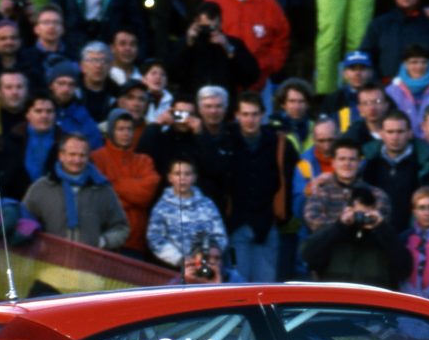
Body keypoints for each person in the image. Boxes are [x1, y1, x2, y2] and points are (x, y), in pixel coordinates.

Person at [226, 91, 297, 281]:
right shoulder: (228, 139)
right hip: (236, 222)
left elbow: (286, 180)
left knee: (266, 286)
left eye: (255, 114)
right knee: (237, 286)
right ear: (237, 115)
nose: (250, 120)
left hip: (266, 223)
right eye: (245, 114)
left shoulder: (275, 141)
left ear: (263, 115)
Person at [23, 131, 130, 250]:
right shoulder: (41, 188)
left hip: (89, 260)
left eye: (82, 155)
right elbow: (24, 221)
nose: (77, 160)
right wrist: (39, 243)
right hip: (49, 259)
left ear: (88, 157)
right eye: (72, 154)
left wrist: (103, 242)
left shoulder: (102, 189)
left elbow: (121, 227)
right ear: (61, 156)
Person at [206, 0, 290, 95]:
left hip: (259, 81)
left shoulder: (269, 4)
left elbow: (282, 39)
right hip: (222, 82)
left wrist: (269, 66)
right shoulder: (213, 4)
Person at [302, 184, 412, 288]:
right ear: (347, 210)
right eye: (357, 214)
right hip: (336, 298)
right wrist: (339, 226)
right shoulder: (333, 236)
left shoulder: (384, 239)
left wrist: (381, 227)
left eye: (366, 213)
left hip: (371, 299)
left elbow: (404, 269)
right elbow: (309, 257)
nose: (361, 219)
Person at [362, 109, 429, 231]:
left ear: (410, 133)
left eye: (400, 132)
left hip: (414, 234)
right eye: (390, 132)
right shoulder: (368, 163)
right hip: (375, 232)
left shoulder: (426, 164)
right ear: (381, 134)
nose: (395, 137)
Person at [91, 107, 160, 258]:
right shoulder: (96, 158)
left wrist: (112, 183)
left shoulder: (144, 161)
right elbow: (99, 199)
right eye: (120, 129)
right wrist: (132, 195)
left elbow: (145, 195)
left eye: (129, 129)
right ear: (111, 131)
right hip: (104, 238)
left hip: (134, 241)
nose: (126, 134)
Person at [169, 0, 260, 102]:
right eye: (204, 27)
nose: (209, 31)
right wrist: (188, 44)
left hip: (224, 103)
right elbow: (172, 75)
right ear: (196, 23)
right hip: (193, 101)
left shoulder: (233, 44)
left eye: (213, 27)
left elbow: (252, 76)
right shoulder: (185, 43)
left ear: (220, 23)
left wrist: (228, 49)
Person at [146, 157, 227, 268]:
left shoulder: (207, 204)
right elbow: (155, 239)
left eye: (187, 174)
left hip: (207, 266)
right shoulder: (161, 208)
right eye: (177, 174)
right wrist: (181, 260)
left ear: (195, 177)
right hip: (174, 268)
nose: (182, 178)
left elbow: (220, 235)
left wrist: (208, 257)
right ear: (170, 178)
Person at [303, 135, 391, 233]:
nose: (347, 164)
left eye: (352, 159)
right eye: (342, 159)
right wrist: (343, 223)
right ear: (333, 162)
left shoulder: (376, 194)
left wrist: (346, 223)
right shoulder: (320, 193)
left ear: (359, 162)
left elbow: (381, 219)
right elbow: (313, 220)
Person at [46, 60, 105, 150]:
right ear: (51, 85)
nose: (66, 89)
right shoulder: (40, 110)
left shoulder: (82, 117)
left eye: (71, 84)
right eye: (61, 83)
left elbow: (96, 147)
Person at [320, 51, 374, 132]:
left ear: (371, 73)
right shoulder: (333, 99)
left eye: (362, 68)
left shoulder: (381, 96)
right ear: (344, 73)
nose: (357, 73)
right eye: (353, 69)